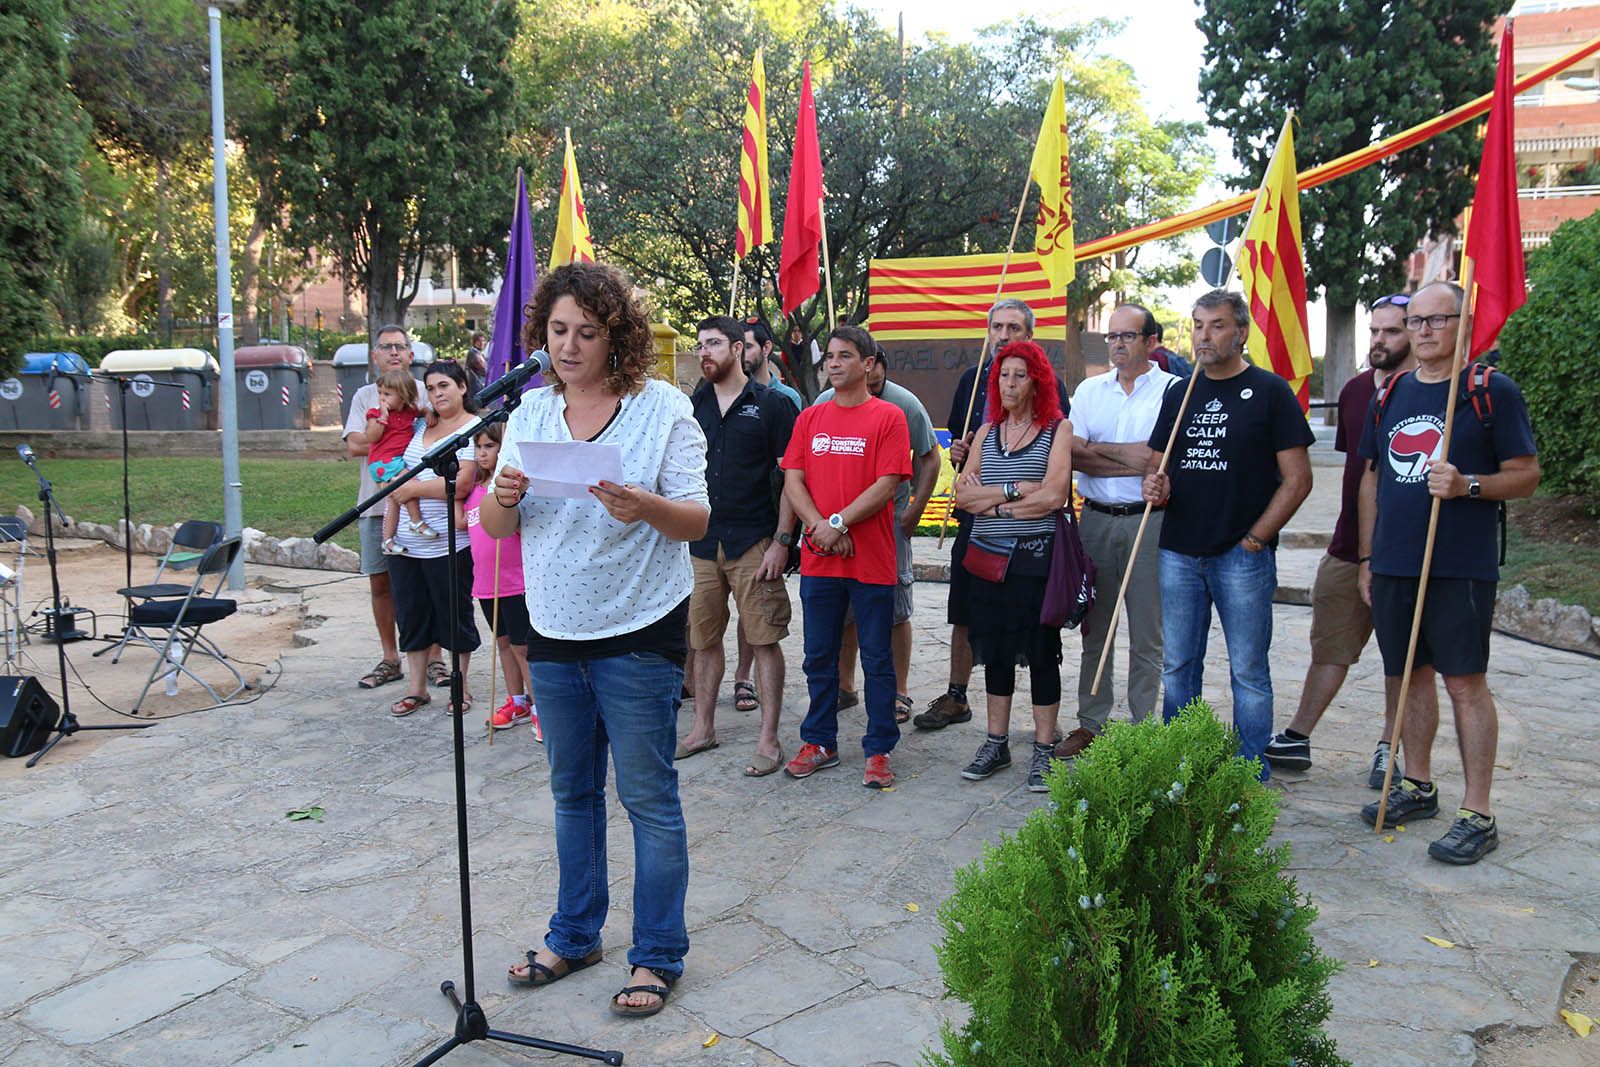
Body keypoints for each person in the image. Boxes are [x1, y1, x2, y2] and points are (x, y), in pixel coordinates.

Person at [485, 262, 708, 1017]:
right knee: (571, 795)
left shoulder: (664, 407)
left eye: (588, 331)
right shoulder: (530, 414)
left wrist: (645, 505)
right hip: (551, 629)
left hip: (639, 628)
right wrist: (501, 498)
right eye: (558, 330)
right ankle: (576, 933)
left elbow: (698, 518)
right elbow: (495, 526)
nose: (571, 345)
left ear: (618, 335)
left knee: (648, 797)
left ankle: (657, 954)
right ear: (541, 334)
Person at [1355, 280, 1539, 864]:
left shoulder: (1490, 392)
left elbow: (1527, 474)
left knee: (1464, 682)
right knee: (1409, 676)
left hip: (1460, 566)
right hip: (1394, 563)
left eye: (1440, 319)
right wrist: (1367, 556)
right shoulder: (1391, 393)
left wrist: (1469, 486)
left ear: (1465, 323)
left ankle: (1478, 812)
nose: (1426, 330)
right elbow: (1372, 478)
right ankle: (1418, 782)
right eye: (1418, 322)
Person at [1141, 290, 1315, 778]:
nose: (1204, 335)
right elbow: (1158, 467)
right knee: (1178, 668)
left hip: (1241, 555)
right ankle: (1181, 767)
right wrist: (1156, 485)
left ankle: (1249, 775)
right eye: (1197, 325)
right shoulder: (1179, 390)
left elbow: (1298, 479)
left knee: (1248, 673)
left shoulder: (1269, 391)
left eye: (1216, 325)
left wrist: (1257, 538)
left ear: (1240, 332)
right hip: (1179, 551)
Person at [1265, 293, 1433, 786]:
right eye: (1375, 331)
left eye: (1392, 331)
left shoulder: (1434, 393)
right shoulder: (1358, 390)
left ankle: (1390, 746)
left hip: (1408, 551)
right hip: (1348, 545)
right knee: (1330, 644)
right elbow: (1359, 473)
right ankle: (1298, 735)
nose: (1380, 340)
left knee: (1403, 658)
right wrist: (1359, 549)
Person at [913, 299, 1071, 733]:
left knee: (1037, 635)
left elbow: (1053, 478)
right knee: (966, 612)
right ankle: (958, 695)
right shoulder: (972, 380)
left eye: (1013, 327)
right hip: (979, 525)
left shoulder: (1050, 393)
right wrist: (962, 454)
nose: (1003, 335)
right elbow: (962, 459)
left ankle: (1044, 726)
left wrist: (1002, 497)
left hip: (1031, 536)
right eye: (996, 326)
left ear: (1029, 337)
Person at [780, 324, 911, 789]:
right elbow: (793, 480)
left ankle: (878, 749)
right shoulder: (810, 419)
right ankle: (820, 741)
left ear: (868, 363)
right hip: (820, 559)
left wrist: (837, 524)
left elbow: (887, 484)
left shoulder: (888, 417)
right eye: (829, 357)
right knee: (818, 655)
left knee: (877, 659)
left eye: (844, 356)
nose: (834, 364)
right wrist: (821, 527)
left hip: (871, 560)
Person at [1056, 304, 1178, 761]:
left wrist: (1106, 452)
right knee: (1096, 628)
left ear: (1152, 341)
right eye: (1111, 336)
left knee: (1148, 632)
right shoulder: (1089, 390)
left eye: (1128, 336)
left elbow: (1161, 460)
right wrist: (1137, 456)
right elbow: (1075, 454)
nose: (1117, 344)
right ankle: (1092, 723)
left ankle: (1143, 726)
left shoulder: (1172, 391)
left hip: (1149, 521)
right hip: (1098, 519)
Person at [952, 341, 1074, 791]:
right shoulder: (986, 433)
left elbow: (1054, 495)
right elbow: (963, 497)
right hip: (985, 560)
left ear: (1037, 381)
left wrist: (995, 501)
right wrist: (1016, 491)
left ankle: (1044, 750)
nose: (1009, 383)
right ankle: (996, 743)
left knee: (1042, 654)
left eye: (1019, 375)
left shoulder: (1057, 430)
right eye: (1004, 375)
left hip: (1033, 561)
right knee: (995, 654)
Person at [681, 315, 796, 777]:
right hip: (703, 542)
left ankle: (769, 739)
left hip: (755, 541)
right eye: (700, 344)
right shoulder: (694, 405)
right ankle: (702, 728)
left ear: (737, 349)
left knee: (765, 640)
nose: (704, 352)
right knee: (703, 640)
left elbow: (793, 478)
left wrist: (783, 542)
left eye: (713, 344)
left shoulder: (771, 405)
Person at [816, 348, 941, 722]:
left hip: (888, 525)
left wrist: (915, 509)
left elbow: (930, 457)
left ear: (877, 366)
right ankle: (845, 686)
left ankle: (899, 692)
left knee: (897, 610)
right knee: (845, 611)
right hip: (839, 526)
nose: (867, 384)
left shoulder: (904, 405)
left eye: (875, 377)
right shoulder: (825, 403)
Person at [343, 326, 442, 693]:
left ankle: (435, 659)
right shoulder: (366, 396)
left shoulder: (425, 391)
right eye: (386, 347)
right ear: (375, 356)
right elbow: (353, 445)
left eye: (401, 346)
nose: (394, 352)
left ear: (411, 354)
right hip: (376, 502)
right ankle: (390, 657)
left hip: (424, 499)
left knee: (428, 581)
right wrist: (386, 432)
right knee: (381, 582)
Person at [383, 360, 482, 718]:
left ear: (462, 387)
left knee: (454, 615)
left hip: (448, 543)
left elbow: (464, 482)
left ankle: (461, 687)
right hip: (407, 544)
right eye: (431, 388)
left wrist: (410, 489)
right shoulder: (424, 424)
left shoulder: (472, 428)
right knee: (412, 616)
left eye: (444, 386)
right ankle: (417, 688)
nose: (437, 393)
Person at [461, 421, 539, 738]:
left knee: (523, 648)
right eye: (478, 447)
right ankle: (517, 700)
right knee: (504, 644)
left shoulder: (509, 493)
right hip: (485, 584)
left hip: (514, 582)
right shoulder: (474, 492)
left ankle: (539, 707)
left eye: (489, 446)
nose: (482, 453)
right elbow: (463, 524)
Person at [360, 368, 437, 555]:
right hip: (382, 462)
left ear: (403, 397)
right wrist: (383, 418)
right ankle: (416, 521)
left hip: (394, 461)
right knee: (408, 484)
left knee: (393, 500)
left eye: (387, 394)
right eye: (380, 393)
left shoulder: (409, 412)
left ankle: (387, 540)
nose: (382, 398)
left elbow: (421, 410)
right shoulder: (375, 413)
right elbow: (371, 437)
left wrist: (427, 412)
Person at [743, 317, 803, 411]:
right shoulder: (728, 394)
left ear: (766, 348)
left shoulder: (788, 397)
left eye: (747, 347)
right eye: (737, 348)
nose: (740, 354)